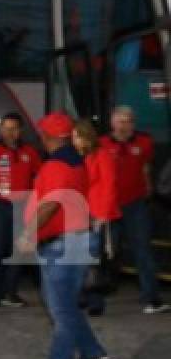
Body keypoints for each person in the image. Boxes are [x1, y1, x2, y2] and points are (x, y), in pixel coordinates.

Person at [18, 113, 109, 359]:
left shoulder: (57, 165)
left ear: (49, 137)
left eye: (42, 134)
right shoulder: (75, 161)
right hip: (72, 239)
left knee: (61, 310)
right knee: (63, 305)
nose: (40, 139)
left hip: (64, 243)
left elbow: (50, 205)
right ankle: (92, 352)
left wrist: (27, 233)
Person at [97, 106, 168, 314]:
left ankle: (151, 298)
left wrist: (148, 191)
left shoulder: (144, 142)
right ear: (112, 123)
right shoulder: (101, 145)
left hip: (136, 206)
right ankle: (95, 296)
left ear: (133, 124)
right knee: (104, 251)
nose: (124, 125)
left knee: (143, 251)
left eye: (128, 121)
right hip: (109, 206)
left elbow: (146, 168)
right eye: (120, 121)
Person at [0, 113, 41, 307]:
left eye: (14, 128)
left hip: (23, 207)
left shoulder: (30, 152)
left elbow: (39, 177)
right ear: (0, 130)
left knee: (18, 250)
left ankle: (10, 293)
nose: (10, 132)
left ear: (21, 131)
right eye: (6, 128)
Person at [74, 120, 121, 317]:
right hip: (82, 213)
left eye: (76, 136)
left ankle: (95, 301)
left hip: (98, 214)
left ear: (85, 137)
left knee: (94, 259)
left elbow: (110, 186)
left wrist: (103, 214)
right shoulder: (80, 156)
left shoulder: (102, 155)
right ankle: (83, 296)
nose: (73, 140)